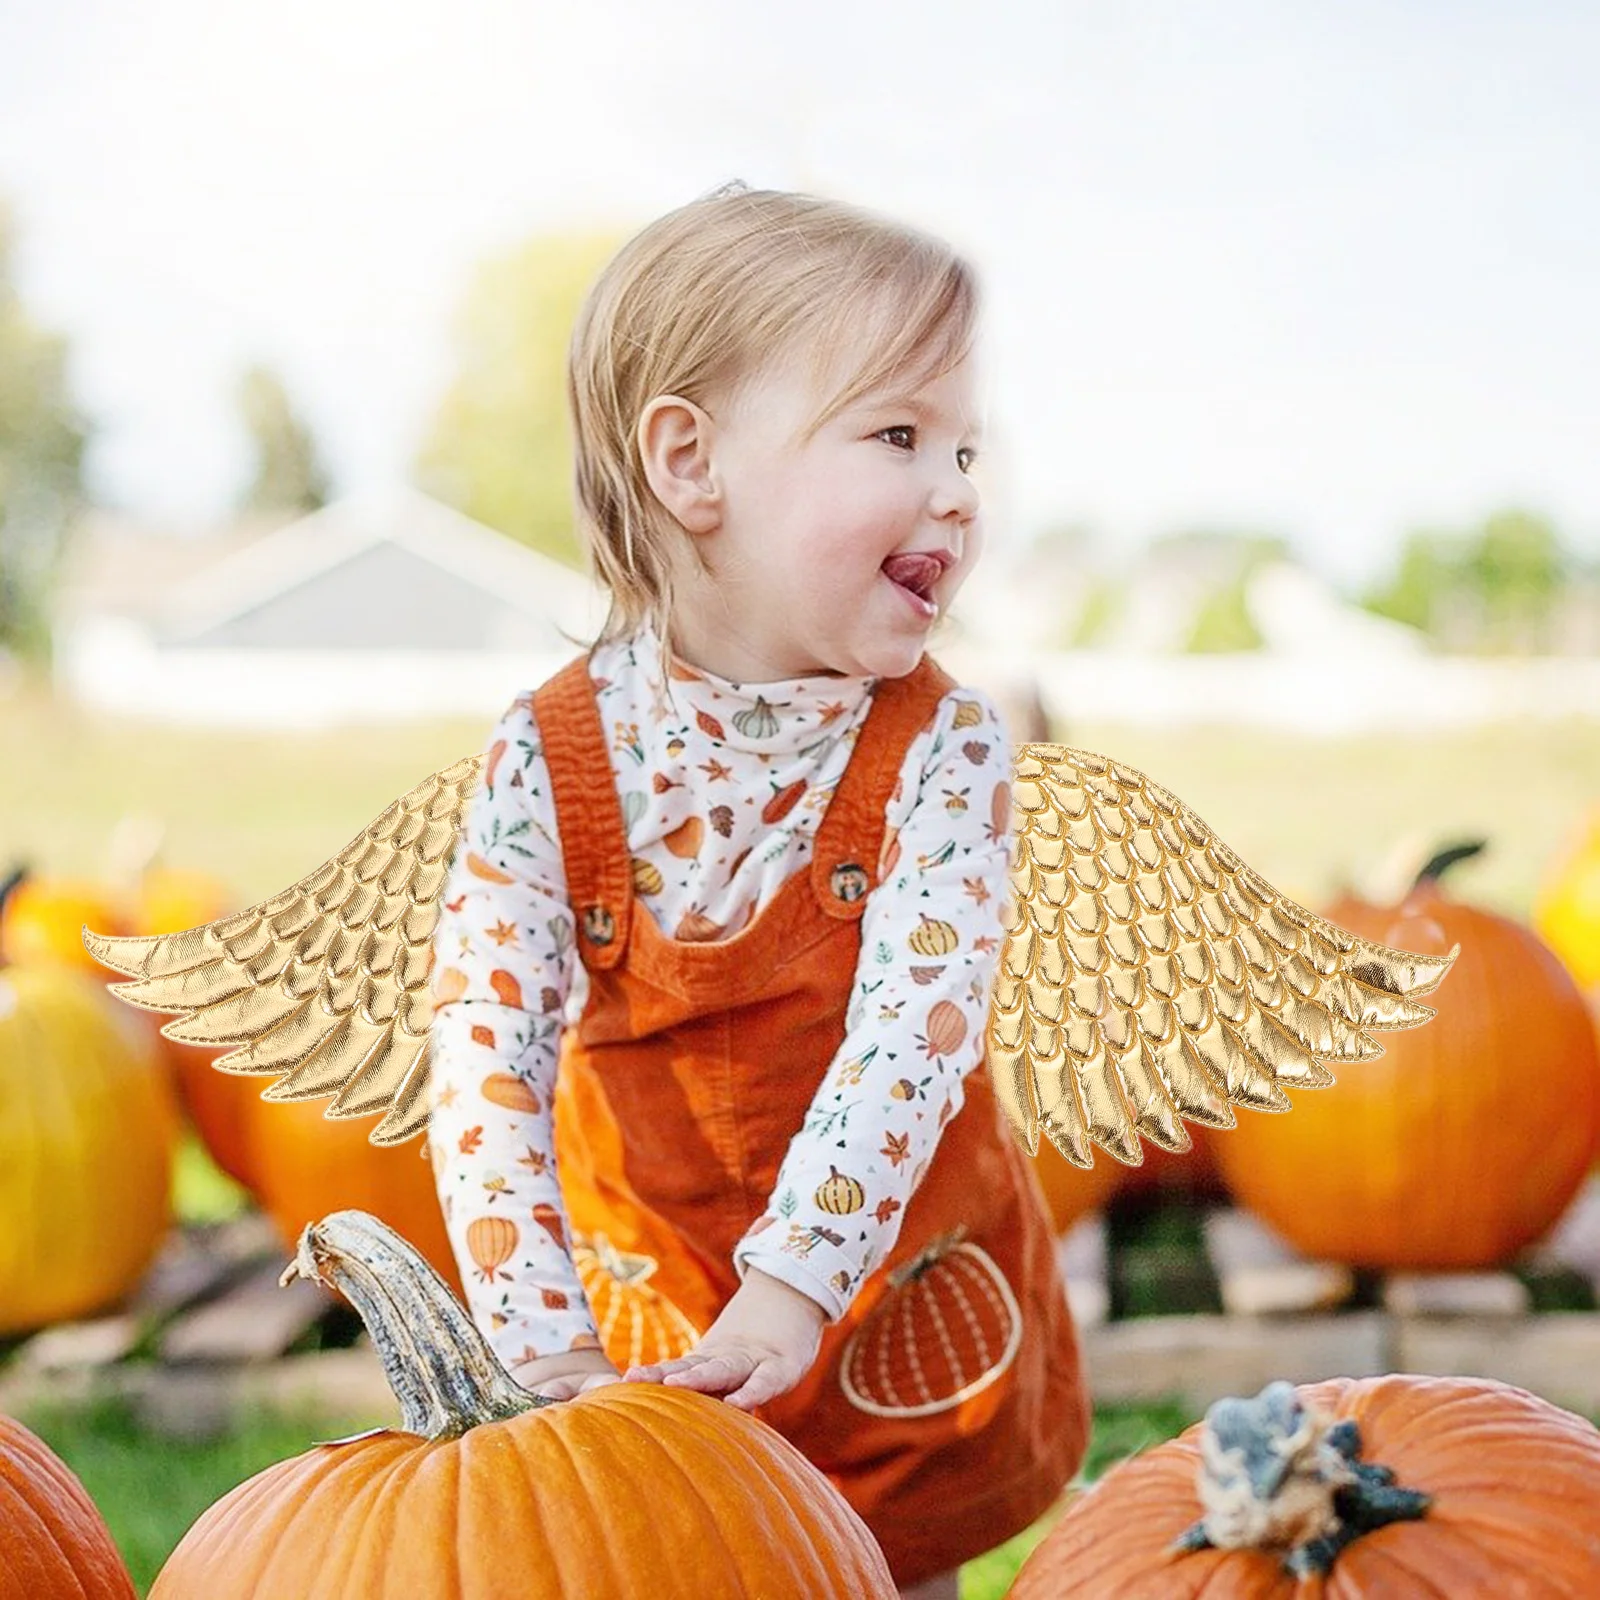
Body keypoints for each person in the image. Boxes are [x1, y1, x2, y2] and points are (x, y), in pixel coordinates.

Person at [425, 181, 1088, 1599]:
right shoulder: (546, 759)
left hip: (887, 1299)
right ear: (691, 463)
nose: (961, 488)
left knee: (889, 1571)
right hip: (643, 1314)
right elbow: (484, 1053)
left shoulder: (945, 747)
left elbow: (915, 1034)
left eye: (967, 445)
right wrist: (541, 1344)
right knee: (672, 1559)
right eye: (900, 434)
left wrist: (798, 1284)